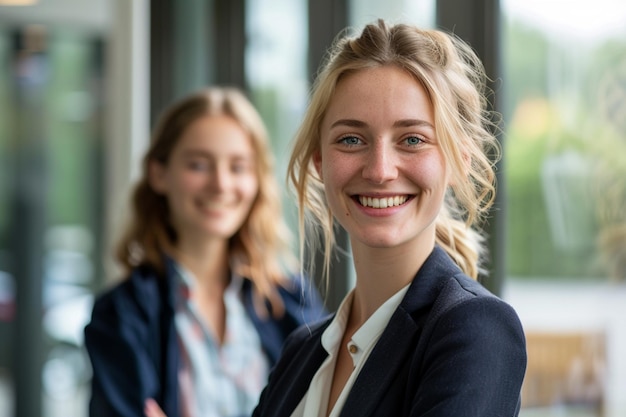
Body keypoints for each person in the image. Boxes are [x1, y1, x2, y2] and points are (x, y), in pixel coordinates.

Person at [252, 19, 527, 417]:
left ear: (458, 161)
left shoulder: (475, 330)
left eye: (412, 139)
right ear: (320, 161)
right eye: (351, 139)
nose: (380, 170)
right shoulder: (300, 351)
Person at [83, 86, 327, 417]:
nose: (221, 184)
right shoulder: (122, 314)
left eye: (238, 167)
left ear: (256, 180)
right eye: (199, 165)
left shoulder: (293, 300)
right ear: (159, 173)